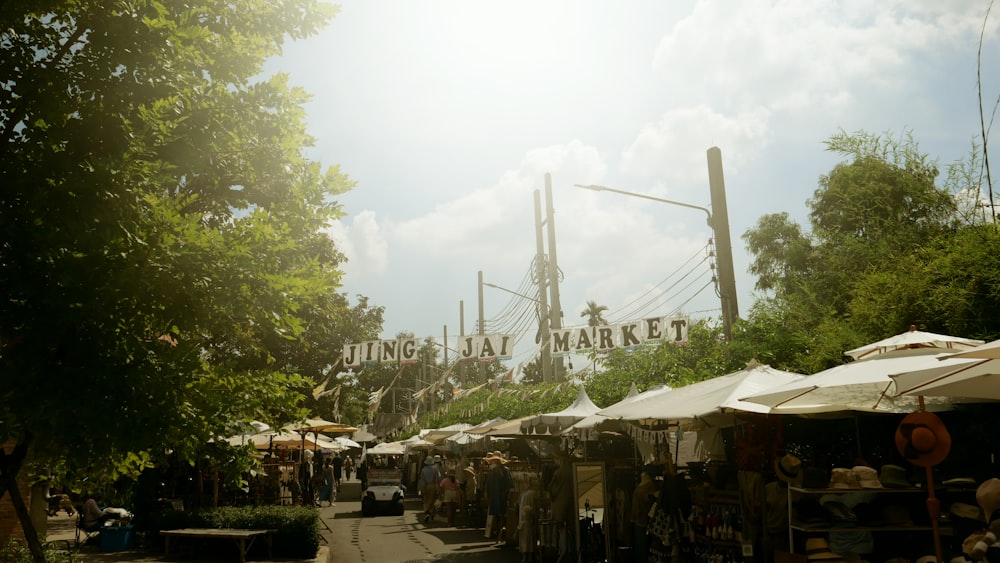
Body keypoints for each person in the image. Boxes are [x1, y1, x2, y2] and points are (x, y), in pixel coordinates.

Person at [630, 469, 659, 563]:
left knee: (643, 546)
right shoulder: (641, 484)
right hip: (637, 520)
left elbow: (651, 499)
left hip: (644, 520)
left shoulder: (650, 485)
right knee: (639, 546)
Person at [484, 451, 514, 539]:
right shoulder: (493, 471)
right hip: (493, 495)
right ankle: (494, 531)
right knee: (494, 513)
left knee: (501, 514)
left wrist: (504, 493)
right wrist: (486, 493)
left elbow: (509, 484)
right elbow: (488, 484)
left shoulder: (505, 470)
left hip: (501, 495)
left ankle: (501, 532)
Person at [517, 477, 542, 563]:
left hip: (523, 519)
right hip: (530, 519)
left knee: (524, 538)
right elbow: (535, 507)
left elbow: (519, 505)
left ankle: (525, 557)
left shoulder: (523, 494)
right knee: (531, 538)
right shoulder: (533, 494)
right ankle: (531, 556)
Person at [418, 456, 442, 523]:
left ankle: (427, 513)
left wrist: (423, 489)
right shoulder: (435, 469)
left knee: (426, 500)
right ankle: (431, 513)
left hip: (427, 486)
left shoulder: (423, 470)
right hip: (434, 486)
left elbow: (422, 481)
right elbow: (439, 478)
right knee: (433, 500)